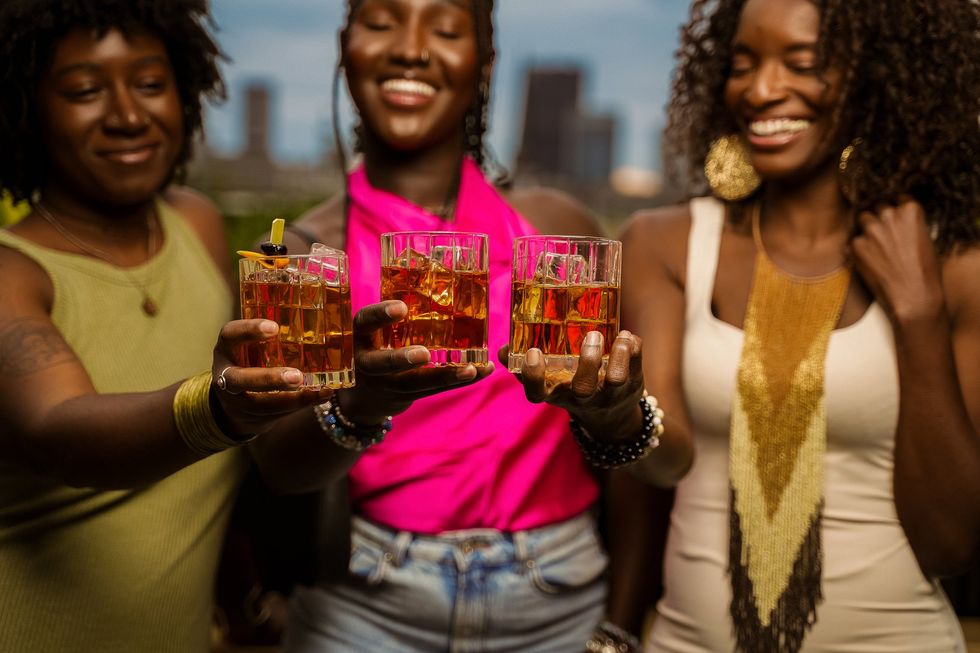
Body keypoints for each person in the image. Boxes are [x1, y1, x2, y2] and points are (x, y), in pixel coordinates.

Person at [243, 0, 657, 650]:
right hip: (367, 600)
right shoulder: (302, 256)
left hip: (558, 594)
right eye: (381, 21)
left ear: (484, 65)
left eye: (444, 28)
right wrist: (357, 402)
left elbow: (629, 440)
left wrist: (623, 624)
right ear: (344, 48)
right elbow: (278, 468)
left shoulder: (555, 228)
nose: (411, 48)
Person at [619, 0, 980, 651]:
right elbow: (661, 462)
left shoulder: (952, 262)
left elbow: (952, 541)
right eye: (741, 64)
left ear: (875, 72)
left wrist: (917, 315)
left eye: (803, 63)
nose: (760, 89)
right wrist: (605, 414)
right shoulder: (665, 242)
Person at [0, 2, 333, 651]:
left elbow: (200, 489)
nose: (129, 115)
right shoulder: (14, 273)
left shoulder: (197, 225)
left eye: (151, 84)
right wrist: (220, 406)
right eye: (85, 91)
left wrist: (246, 605)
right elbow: (59, 433)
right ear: (27, 107)